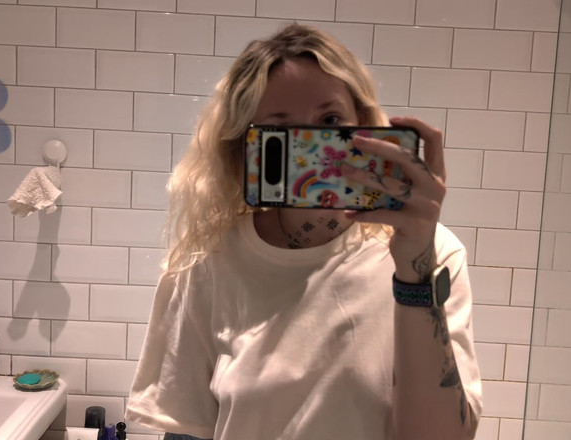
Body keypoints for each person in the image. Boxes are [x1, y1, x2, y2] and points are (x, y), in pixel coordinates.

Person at [126, 24, 482, 440]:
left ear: (362, 123)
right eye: (282, 129)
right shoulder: (207, 264)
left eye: (330, 120)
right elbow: (187, 430)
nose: (314, 145)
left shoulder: (433, 253)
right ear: (246, 146)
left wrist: (415, 272)